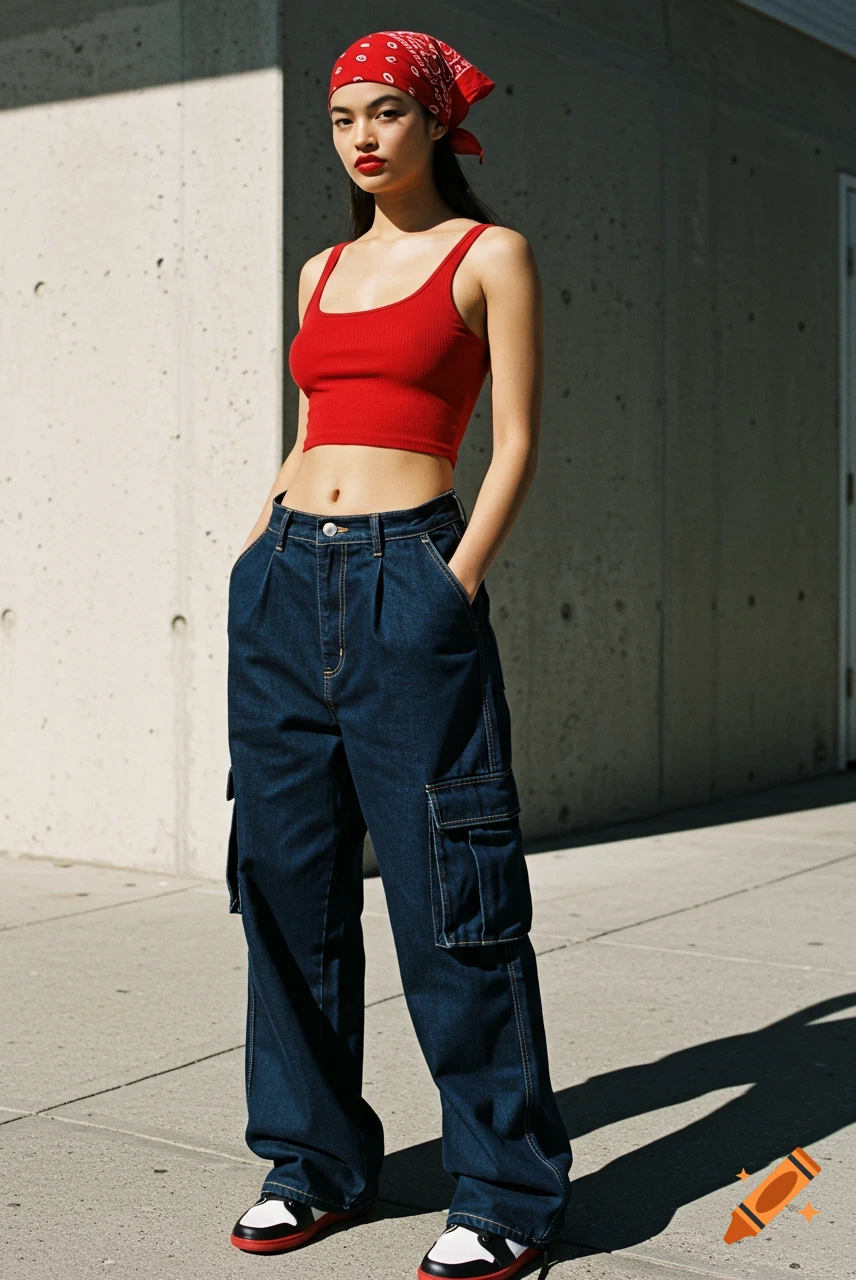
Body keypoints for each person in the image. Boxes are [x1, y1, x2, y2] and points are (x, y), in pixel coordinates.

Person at [224, 29, 572, 1280]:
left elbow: (517, 439)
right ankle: (311, 1160)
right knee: (284, 888)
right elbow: (311, 419)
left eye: (384, 112)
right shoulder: (318, 267)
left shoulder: (490, 256)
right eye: (340, 119)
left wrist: (450, 584)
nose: (361, 137)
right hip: (283, 584)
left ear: (434, 123)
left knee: (451, 892)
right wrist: (259, 541)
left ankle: (509, 1185)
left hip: (404, 577)